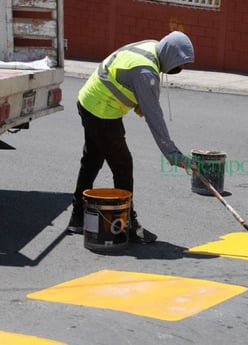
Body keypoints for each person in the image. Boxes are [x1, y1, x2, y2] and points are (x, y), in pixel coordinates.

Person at [66, 31, 196, 243]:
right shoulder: (146, 72)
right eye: (179, 65)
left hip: (89, 99)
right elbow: (155, 119)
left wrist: (139, 100)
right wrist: (174, 156)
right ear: (170, 56)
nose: (179, 69)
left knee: (92, 159)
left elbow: (127, 75)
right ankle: (128, 224)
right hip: (101, 110)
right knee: (123, 165)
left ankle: (77, 218)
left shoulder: (153, 47)